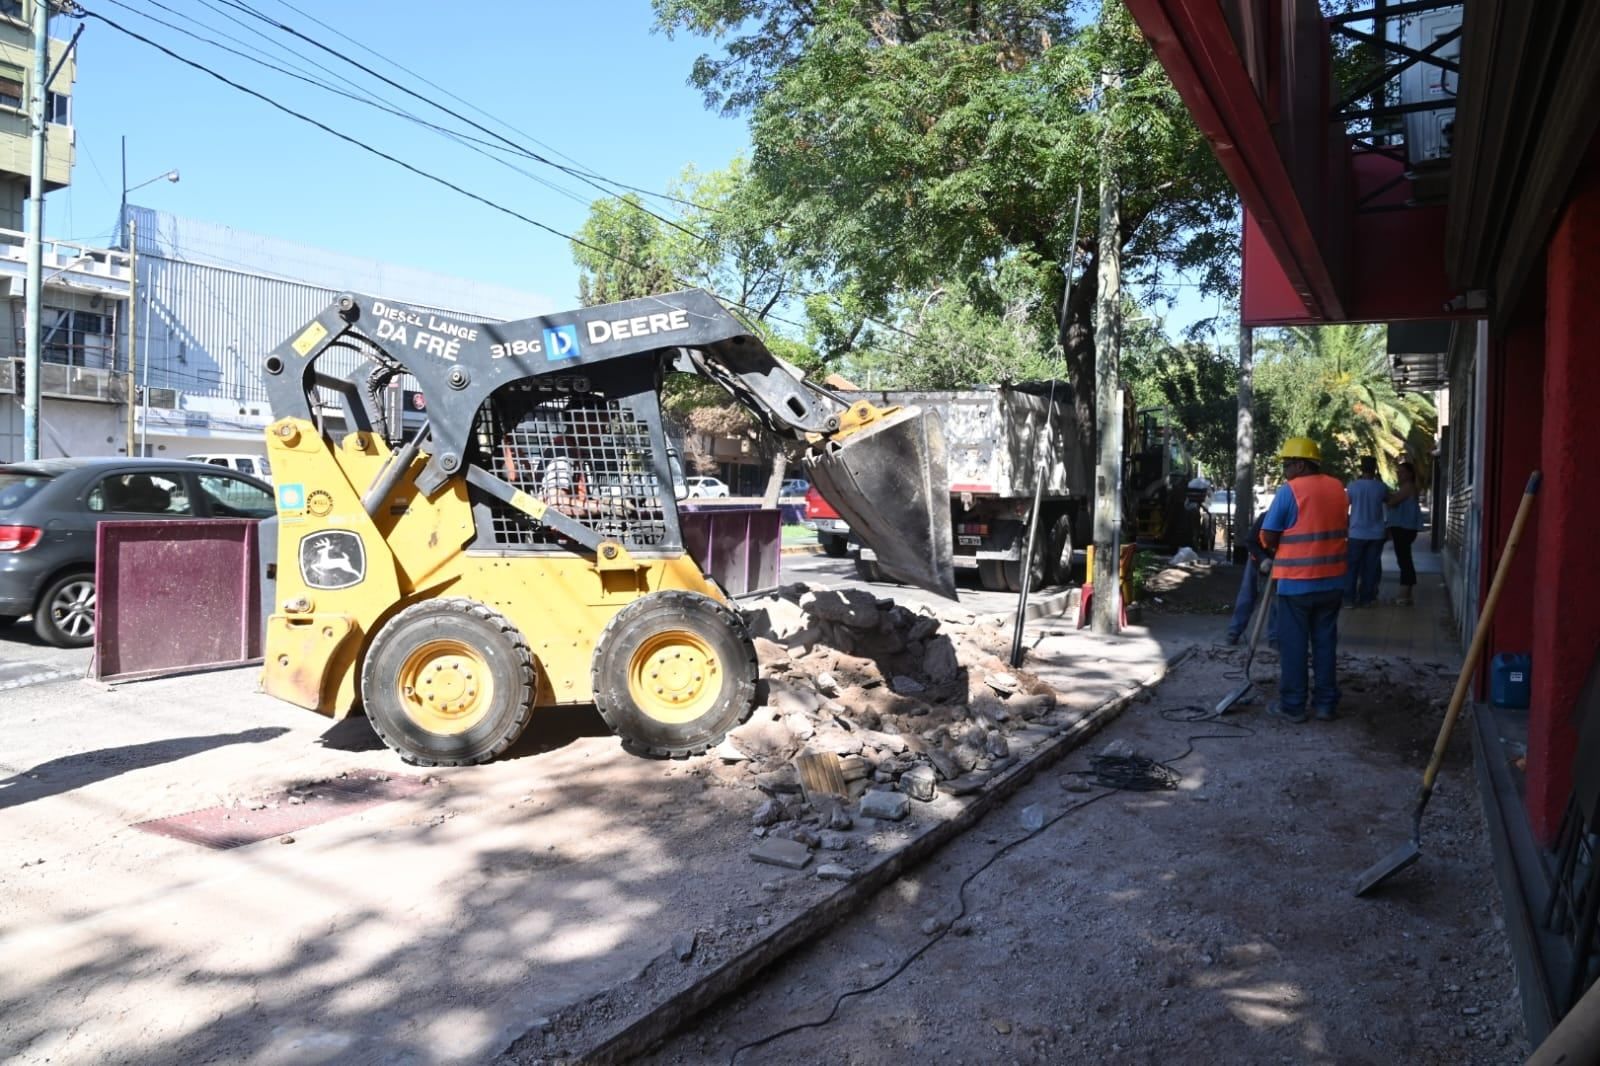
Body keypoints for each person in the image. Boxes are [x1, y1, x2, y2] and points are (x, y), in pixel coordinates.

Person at [1259, 436, 1349, 723]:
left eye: (1286, 464)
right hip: (1332, 582)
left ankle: (1294, 706)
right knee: (1325, 644)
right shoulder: (1338, 488)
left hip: (1297, 583)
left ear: (1299, 464)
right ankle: (1325, 705)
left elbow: (1269, 533)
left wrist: (1272, 545)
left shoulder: (1291, 491)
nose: (1285, 470)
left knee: (1294, 646)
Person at [1226, 509, 1279, 647]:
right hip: (1257, 559)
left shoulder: (1295, 522)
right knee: (1247, 595)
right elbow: (1250, 541)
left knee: (1278, 599)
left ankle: (1274, 638)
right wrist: (1262, 559)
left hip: (1280, 562)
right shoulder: (1266, 517)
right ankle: (1234, 632)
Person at [1344, 455, 1389, 607]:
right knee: (1370, 568)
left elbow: (1345, 507)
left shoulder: (1352, 486)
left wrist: (1345, 526)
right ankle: (1366, 599)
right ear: (1375, 468)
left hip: (1356, 533)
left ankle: (1349, 599)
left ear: (1361, 468)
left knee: (1352, 568)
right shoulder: (1381, 487)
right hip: (1376, 534)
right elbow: (1390, 501)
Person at [1385, 460, 1424, 606]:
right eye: (1398, 472)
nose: (1398, 475)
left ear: (1410, 474)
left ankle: (1403, 595)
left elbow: (1392, 502)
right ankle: (1407, 594)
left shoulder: (1408, 487)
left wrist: (1386, 495)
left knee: (1404, 560)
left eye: (1402, 472)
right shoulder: (1407, 487)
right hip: (1404, 528)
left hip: (1404, 528)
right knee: (1404, 559)